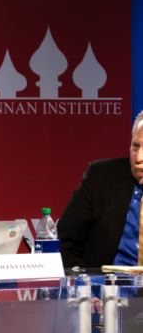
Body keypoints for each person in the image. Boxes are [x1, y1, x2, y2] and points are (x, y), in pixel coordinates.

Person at [59, 111, 143, 269]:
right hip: (109, 291)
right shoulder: (100, 177)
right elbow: (64, 242)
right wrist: (85, 288)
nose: (138, 158)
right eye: (135, 146)